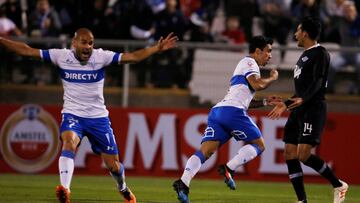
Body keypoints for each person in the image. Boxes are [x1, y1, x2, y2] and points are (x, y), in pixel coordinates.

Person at [0, 28, 178, 203]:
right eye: (84, 42)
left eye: (91, 43)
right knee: (69, 142)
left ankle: (122, 187)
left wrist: (156, 48)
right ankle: (65, 189)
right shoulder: (61, 56)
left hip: (98, 118)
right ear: (74, 43)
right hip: (73, 114)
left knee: (113, 166)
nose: (88, 46)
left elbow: (132, 57)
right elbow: (27, 51)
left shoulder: (100, 57)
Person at [173, 35, 280, 203]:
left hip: (219, 111)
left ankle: (183, 182)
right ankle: (229, 167)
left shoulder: (244, 65)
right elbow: (257, 85)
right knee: (259, 145)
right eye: (268, 51)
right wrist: (273, 78)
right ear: (258, 51)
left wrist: (266, 101)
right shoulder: (250, 63)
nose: (270, 55)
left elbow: (244, 100)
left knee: (205, 151)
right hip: (232, 112)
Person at [268, 16, 348, 203]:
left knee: (303, 155)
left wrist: (301, 99)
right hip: (299, 108)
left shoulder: (320, 53)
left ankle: (338, 185)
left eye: (297, 31)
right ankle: (302, 200)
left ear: (304, 33)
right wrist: (287, 102)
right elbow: (302, 89)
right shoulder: (304, 56)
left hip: (313, 108)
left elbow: (318, 82)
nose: (295, 34)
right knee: (289, 152)